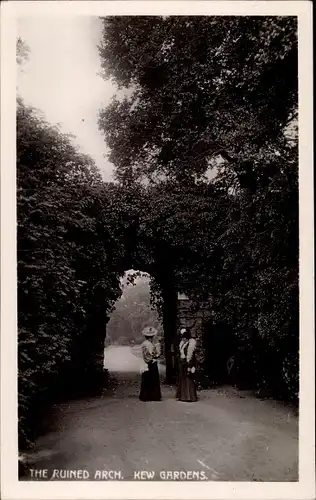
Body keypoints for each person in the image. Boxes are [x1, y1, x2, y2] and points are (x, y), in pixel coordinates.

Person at [139, 326, 162, 401]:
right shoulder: (149, 344)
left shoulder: (144, 344)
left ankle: (146, 395)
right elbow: (154, 354)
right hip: (151, 363)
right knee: (152, 379)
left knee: (146, 379)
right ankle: (153, 396)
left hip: (146, 363)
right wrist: (156, 355)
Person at [176, 327, 198, 402]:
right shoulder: (183, 343)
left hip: (188, 363)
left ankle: (189, 396)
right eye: (182, 337)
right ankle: (183, 396)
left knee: (188, 379)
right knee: (183, 379)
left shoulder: (191, 344)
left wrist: (189, 365)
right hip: (182, 363)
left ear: (187, 337)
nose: (182, 339)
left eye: (184, 337)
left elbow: (190, 356)